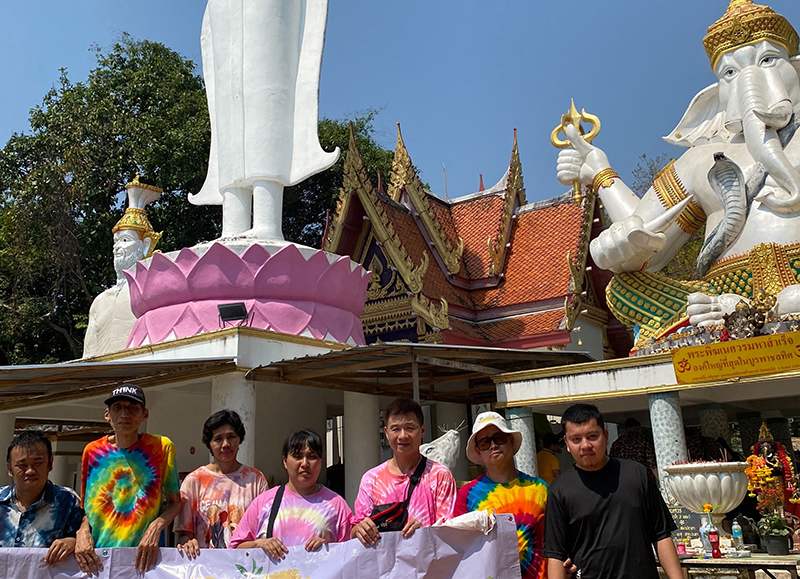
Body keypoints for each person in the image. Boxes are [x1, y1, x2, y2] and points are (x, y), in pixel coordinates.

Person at [544, 403, 682, 579]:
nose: (585, 445)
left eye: (592, 436)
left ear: (606, 436)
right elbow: (555, 555)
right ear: (567, 443)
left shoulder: (636, 474)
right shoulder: (559, 489)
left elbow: (661, 535)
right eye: (576, 439)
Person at [75, 384, 181, 574]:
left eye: (132, 408)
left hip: (144, 560)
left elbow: (175, 503)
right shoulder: (92, 452)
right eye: (118, 408)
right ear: (107, 415)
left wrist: (155, 527)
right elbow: (87, 511)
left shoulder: (162, 447)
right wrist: (82, 532)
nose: (125, 413)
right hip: (98, 560)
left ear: (145, 414)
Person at [455, 412, 549, 579]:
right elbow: (458, 548)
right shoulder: (466, 495)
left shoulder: (540, 488)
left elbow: (556, 542)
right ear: (478, 451)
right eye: (484, 443)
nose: (493, 446)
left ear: (510, 441)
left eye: (498, 438)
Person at [351, 398, 456, 547]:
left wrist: (426, 533)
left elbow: (451, 531)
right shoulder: (371, 480)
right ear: (386, 433)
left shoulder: (440, 476)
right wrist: (358, 531)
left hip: (428, 567)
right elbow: (355, 530)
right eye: (395, 429)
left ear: (423, 430)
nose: (402, 436)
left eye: (410, 428)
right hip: (384, 567)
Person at [229, 429, 352, 556]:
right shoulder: (264, 502)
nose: (304, 463)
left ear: (321, 462)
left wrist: (330, 550)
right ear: (285, 461)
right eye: (297, 456)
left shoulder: (337, 505)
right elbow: (233, 551)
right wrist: (258, 544)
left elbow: (350, 555)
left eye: (312, 457)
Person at [174, 409, 268, 556]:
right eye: (218, 439)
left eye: (231, 437)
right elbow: (184, 534)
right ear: (209, 444)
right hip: (205, 569)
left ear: (240, 439)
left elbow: (264, 531)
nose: (225, 444)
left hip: (246, 567)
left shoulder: (255, 480)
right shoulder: (194, 481)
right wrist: (187, 542)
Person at [0, 430, 84, 566]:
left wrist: (73, 542)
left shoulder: (68, 502)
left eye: (37, 463)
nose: (30, 471)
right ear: (9, 469)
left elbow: (89, 541)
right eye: (22, 465)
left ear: (50, 464)